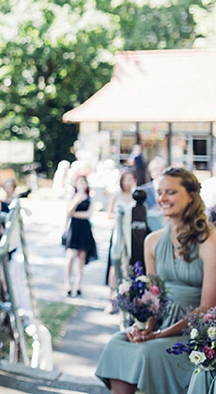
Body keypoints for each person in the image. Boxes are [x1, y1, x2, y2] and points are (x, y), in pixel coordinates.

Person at [96, 167, 216, 394]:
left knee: (147, 352)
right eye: (160, 192)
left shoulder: (209, 241)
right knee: (118, 344)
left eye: (170, 192)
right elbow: (154, 299)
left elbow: (207, 307)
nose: (162, 198)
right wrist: (145, 327)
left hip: (194, 332)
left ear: (191, 195)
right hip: (161, 324)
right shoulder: (152, 241)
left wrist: (160, 334)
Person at [62, 175, 99, 296]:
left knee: (82, 256)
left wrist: (75, 214)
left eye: (84, 183)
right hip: (74, 229)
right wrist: (77, 199)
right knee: (71, 255)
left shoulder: (90, 198)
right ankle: (67, 283)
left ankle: (78, 284)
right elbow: (69, 211)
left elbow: (88, 214)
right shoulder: (74, 197)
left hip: (84, 229)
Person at [106, 170, 137, 308]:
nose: (127, 182)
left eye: (130, 179)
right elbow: (109, 214)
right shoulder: (116, 196)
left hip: (132, 233)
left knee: (130, 264)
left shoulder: (136, 196)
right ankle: (111, 297)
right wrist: (119, 216)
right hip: (119, 232)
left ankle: (127, 297)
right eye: (125, 179)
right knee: (115, 263)